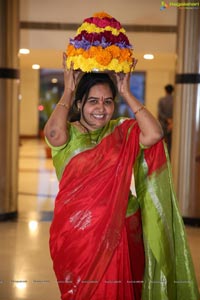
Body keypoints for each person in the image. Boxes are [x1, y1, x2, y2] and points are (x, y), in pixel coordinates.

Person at [44, 54, 199, 300]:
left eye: (108, 101)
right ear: (80, 103)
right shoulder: (68, 135)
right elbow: (53, 133)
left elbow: (155, 134)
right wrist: (68, 90)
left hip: (123, 228)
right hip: (78, 233)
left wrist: (126, 92)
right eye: (93, 101)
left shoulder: (121, 129)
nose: (101, 108)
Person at [157, 84, 174, 156]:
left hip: (163, 124)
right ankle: (169, 159)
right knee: (170, 143)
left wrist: (166, 119)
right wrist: (171, 121)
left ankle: (162, 158)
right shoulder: (176, 100)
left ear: (165, 90)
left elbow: (160, 113)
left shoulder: (161, 100)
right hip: (172, 124)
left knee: (162, 142)